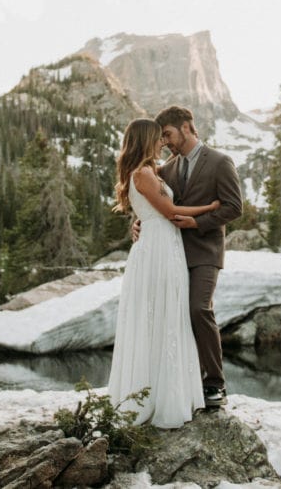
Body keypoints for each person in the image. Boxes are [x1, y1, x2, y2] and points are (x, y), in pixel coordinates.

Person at [107, 118, 221, 428]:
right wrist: (208, 208)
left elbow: (156, 208)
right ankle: (158, 398)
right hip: (158, 249)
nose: (162, 143)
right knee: (160, 316)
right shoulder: (143, 173)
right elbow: (170, 213)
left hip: (166, 247)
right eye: (158, 138)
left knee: (170, 316)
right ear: (146, 140)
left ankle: (170, 392)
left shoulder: (152, 171)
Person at [141, 105, 243, 410]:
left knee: (199, 309)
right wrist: (138, 222)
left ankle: (215, 383)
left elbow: (234, 207)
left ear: (186, 127)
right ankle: (185, 382)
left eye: (168, 135)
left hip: (206, 252)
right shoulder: (167, 169)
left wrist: (198, 223)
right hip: (171, 253)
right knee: (174, 315)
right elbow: (156, 203)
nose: (166, 143)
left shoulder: (220, 162)